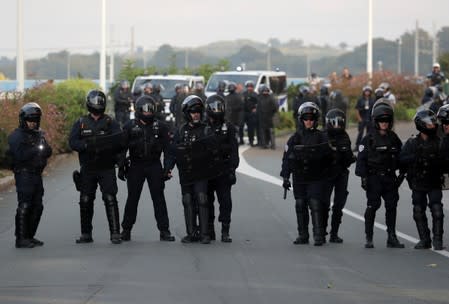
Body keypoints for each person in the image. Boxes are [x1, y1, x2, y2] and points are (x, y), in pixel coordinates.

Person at [69, 89, 124, 244]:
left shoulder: (110, 122)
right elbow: (72, 142)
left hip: (106, 167)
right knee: (86, 199)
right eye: (95, 102)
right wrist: (85, 145)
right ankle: (86, 234)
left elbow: (120, 141)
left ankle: (115, 233)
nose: (97, 105)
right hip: (88, 167)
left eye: (100, 102)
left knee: (110, 198)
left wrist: (107, 146)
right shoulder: (80, 123)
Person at [119, 95, 175, 242]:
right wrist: (120, 166)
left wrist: (167, 168)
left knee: (159, 198)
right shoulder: (129, 126)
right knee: (132, 198)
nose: (148, 112)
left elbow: (169, 150)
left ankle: (164, 230)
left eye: (151, 110)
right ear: (138, 110)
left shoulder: (161, 127)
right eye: (145, 110)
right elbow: (121, 148)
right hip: (136, 165)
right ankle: (126, 229)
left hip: (154, 165)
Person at [166, 95, 218, 244]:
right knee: (187, 200)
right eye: (193, 112)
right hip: (186, 172)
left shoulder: (206, 130)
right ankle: (191, 233)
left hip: (201, 171)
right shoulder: (180, 131)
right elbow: (172, 152)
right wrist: (168, 169)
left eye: (198, 112)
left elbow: (215, 152)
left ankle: (204, 233)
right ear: (187, 113)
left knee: (202, 199)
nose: (196, 114)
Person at [281, 102, 332, 246]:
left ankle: (318, 235)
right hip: (299, 177)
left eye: (311, 118)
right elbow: (286, 159)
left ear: (316, 120)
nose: (308, 121)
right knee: (300, 204)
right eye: (306, 118)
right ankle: (303, 235)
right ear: (301, 120)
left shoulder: (322, 137)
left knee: (315, 204)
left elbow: (330, 158)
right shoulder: (295, 138)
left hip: (316, 177)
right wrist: (285, 177)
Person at [355, 100, 404, 249]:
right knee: (373, 206)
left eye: (387, 120)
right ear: (375, 121)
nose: (384, 123)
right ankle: (369, 237)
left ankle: (392, 237)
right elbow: (360, 162)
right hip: (374, 178)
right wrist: (364, 178)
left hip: (390, 178)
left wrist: (402, 175)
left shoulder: (394, 138)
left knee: (391, 206)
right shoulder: (367, 140)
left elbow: (402, 157)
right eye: (381, 120)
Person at [7, 103, 52, 248]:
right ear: (23, 120)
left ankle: (30, 236)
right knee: (25, 205)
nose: (32, 124)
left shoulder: (39, 134)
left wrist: (42, 149)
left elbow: (48, 150)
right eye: (30, 120)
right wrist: (36, 149)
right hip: (24, 174)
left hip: (37, 174)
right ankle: (20, 238)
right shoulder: (16, 136)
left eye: (35, 121)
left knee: (38, 206)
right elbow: (20, 155)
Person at [400, 109, 444, 250]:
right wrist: (415, 158)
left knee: (437, 209)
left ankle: (438, 240)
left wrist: (437, 161)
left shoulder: (440, 142)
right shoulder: (412, 142)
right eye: (429, 123)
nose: (432, 125)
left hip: (434, 180)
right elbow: (400, 159)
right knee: (418, 210)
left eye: (433, 123)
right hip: (417, 181)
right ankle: (424, 239)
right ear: (421, 125)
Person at [205, 94, 239, 242]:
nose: (217, 110)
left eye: (220, 107)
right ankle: (209, 229)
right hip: (207, 169)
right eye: (214, 108)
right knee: (207, 200)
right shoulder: (203, 127)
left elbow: (234, 151)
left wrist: (232, 169)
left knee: (225, 201)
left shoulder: (229, 128)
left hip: (224, 169)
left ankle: (225, 230)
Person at [322, 109, 355, 243]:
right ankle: (321, 231)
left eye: (339, 123)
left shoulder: (345, 137)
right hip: (326, 174)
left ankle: (334, 233)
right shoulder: (323, 136)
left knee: (339, 204)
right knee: (323, 203)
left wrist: (349, 156)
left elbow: (348, 158)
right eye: (334, 123)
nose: (337, 126)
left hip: (341, 173)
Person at [258, 85, 279, 149]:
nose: (265, 92)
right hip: (267, 117)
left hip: (267, 117)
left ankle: (268, 145)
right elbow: (276, 107)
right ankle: (268, 145)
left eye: (266, 91)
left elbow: (275, 107)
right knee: (268, 132)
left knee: (267, 131)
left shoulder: (262, 98)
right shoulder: (270, 98)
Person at [355, 86, 375, 150]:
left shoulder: (372, 100)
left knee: (369, 133)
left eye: (368, 91)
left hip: (369, 118)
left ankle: (368, 146)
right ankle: (357, 146)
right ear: (364, 92)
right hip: (362, 118)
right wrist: (359, 118)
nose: (367, 92)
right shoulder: (360, 99)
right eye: (366, 91)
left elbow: (374, 109)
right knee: (360, 133)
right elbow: (357, 109)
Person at [243, 80, 259, 146]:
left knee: (251, 128)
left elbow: (258, 103)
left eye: (251, 87)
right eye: (248, 87)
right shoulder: (243, 94)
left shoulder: (255, 94)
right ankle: (246, 140)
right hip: (245, 113)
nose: (249, 88)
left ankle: (251, 141)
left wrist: (255, 108)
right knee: (243, 127)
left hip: (252, 114)